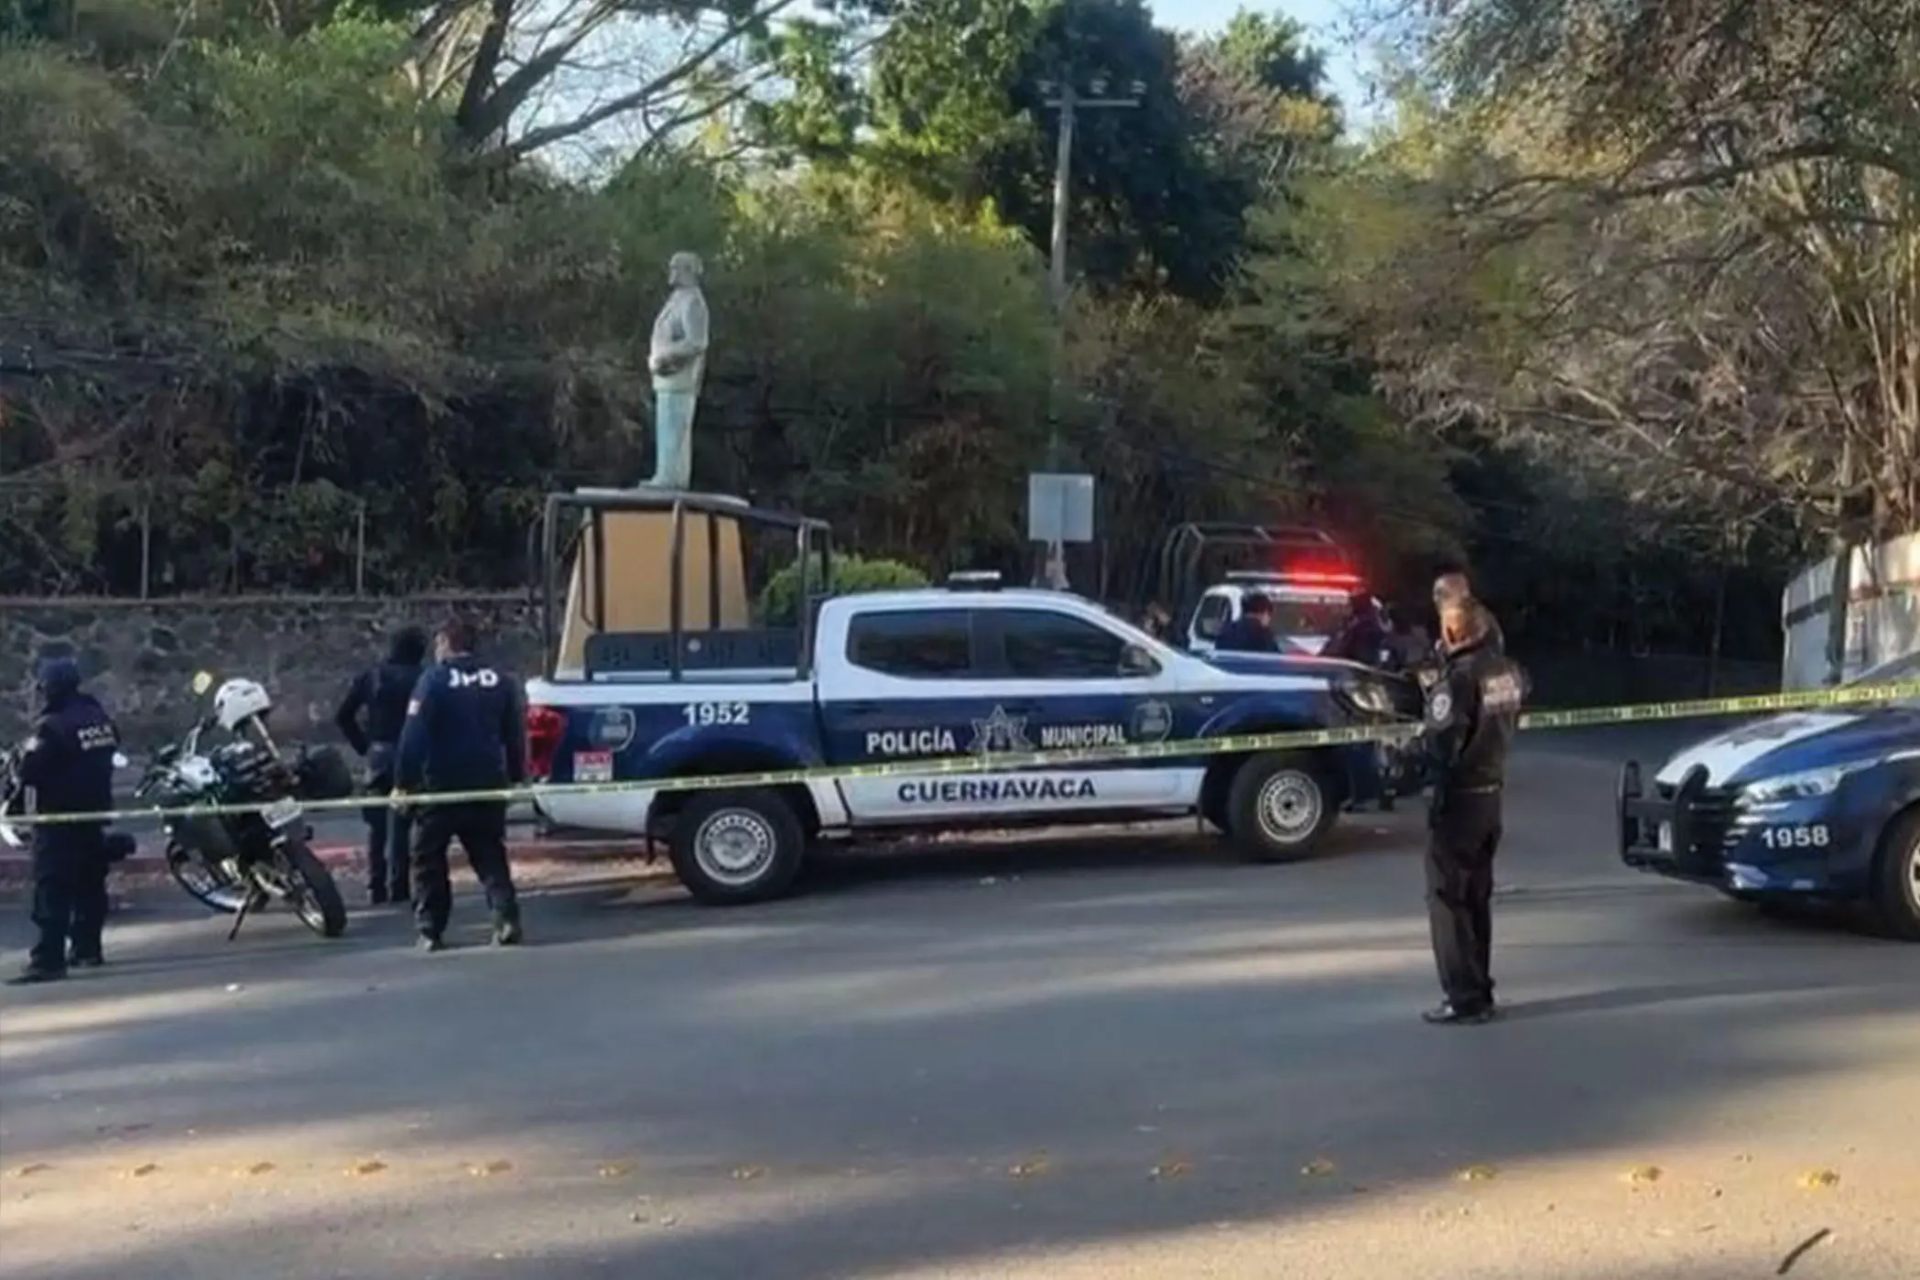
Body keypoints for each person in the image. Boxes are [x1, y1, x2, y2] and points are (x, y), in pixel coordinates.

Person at [1414, 594, 1523, 1025]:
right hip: (1492, 793)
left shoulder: (1458, 679)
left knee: (1446, 898)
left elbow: (1442, 742)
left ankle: (1463, 997)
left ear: (1455, 629)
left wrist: (1419, 761)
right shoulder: (1509, 671)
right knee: (1477, 897)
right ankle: (1481, 988)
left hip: (1458, 799)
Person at [394, 618, 527, 951]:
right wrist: (515, 776)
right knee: (490, 856)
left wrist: (404, 783)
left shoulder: (434, 681)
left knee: (428, 859)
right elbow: (514, 734)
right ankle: (506, 918)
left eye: (438, 645)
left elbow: (413, 737)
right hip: (487, 783)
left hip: (440, 786)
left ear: (445, 643)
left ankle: (430, 929)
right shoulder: (500, 680)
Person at [8, 659, 120, 985]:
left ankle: (48, 959)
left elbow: (29, 770)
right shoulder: (97, 717)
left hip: (59, 818)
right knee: (89, 884)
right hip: (94, 813)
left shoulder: (52, 726)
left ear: (50, 687)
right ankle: (87, 948)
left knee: (51, 888)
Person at [335, 627, 428, 905]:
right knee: (404, 823)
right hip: (412, 755)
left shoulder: (372, 676)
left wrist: (363, 745)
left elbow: (343, 715)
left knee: (377, 826)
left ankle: (376, 885)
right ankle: (398, 886)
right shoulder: (424, 678)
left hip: (379, 755)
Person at [1325, 592, 1390, 666]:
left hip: (1360, 666)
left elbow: (1345, 647)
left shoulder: (1365, 625)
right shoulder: (1353, 623)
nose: (1348, 608)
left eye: (1351, 605)